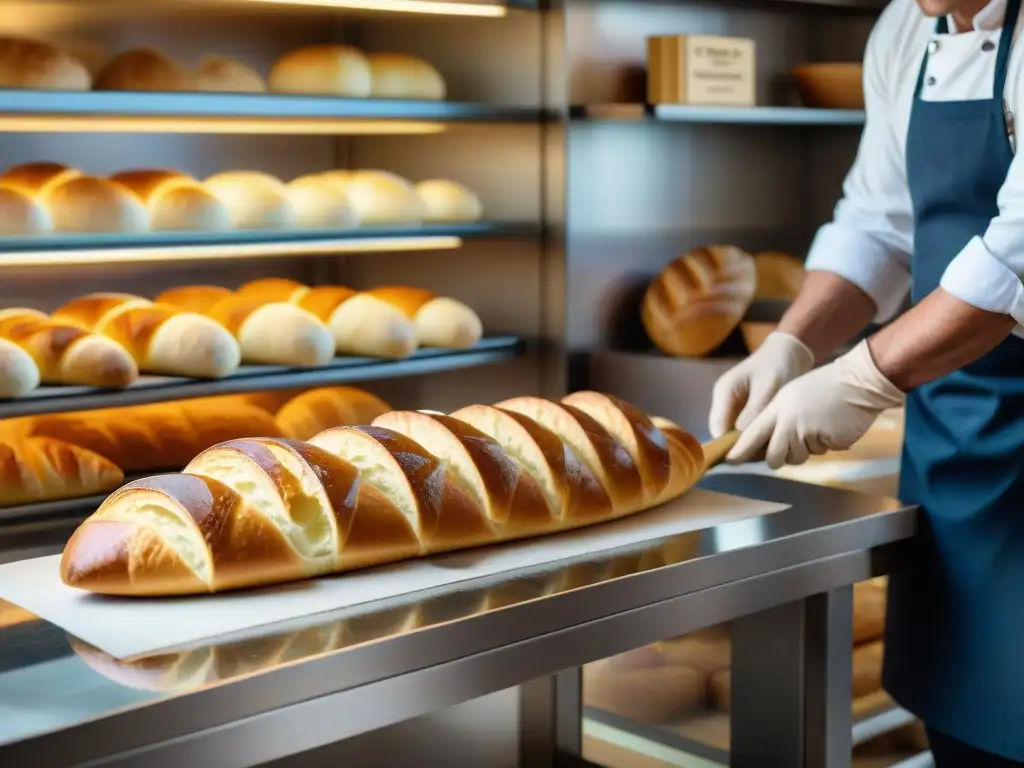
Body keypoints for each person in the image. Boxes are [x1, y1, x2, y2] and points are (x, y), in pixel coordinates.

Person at [708, 0, 1024, 764]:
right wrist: (792, 342)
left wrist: (861, 376)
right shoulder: (906, 28)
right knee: (966, 719)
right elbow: (879, 225)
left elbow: (1015, 262)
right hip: (955, 446)